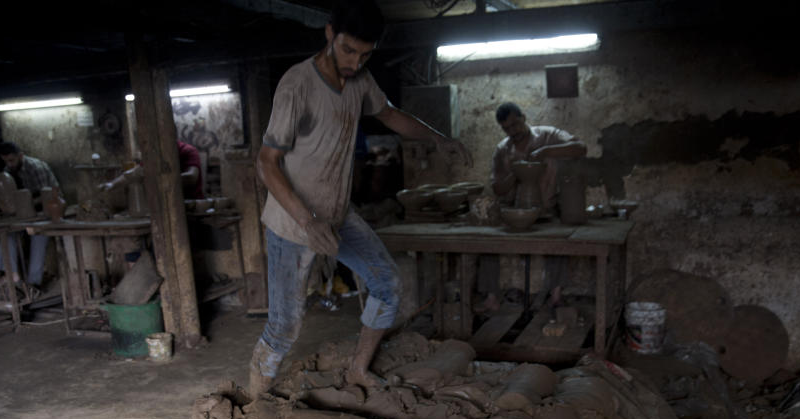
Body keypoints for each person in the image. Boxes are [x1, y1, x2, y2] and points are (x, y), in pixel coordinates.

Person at [248, 0, 471, 398]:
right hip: (292, 222)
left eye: (365, 55)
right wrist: (306, 220)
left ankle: (357, 371)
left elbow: (390, 115)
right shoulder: (297, 86)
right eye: (348, 50)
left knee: (386, 282)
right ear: (330, 33)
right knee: (285, 325)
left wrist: (438, 137)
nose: (354, 62)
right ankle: (254, 403)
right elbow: (266, 164)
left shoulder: (360, 81)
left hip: (336, 214)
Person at [486, 103, 587, 309]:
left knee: (559, 241)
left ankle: (556, 295)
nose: (512, 131)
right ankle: (491, 298)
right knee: (487, 242)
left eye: (515, 124)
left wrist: (546, 151)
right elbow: (497, 189)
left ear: (523, 117)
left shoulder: (547, 135)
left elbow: (581, 148)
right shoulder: (502, 149)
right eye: (506, 128)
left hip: (547, 210)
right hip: (515, 214)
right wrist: (517, 171)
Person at [0, 141, 61, 290]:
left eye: (11, 160)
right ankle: (12, 274)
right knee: (7, 233)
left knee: (38, 235)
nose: (9, 164)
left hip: (48, 209)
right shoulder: (8, 170)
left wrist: (25, 203)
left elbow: (49, 194)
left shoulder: (36, 167)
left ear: (21, 156)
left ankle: (34, 283)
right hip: (26, 212)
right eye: (5, 161)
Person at [98, 141, 205, 200]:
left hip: (190, 204)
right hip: (166, 203)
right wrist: (112, 184)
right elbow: (134, 173)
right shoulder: (156, 154)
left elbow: (192, 177)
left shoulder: (187, 151)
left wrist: (158, 177)